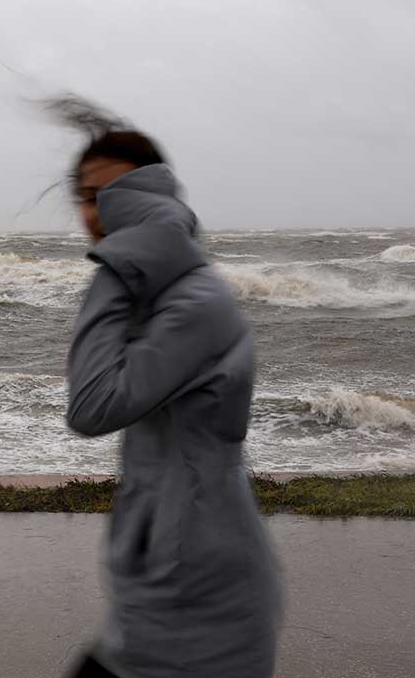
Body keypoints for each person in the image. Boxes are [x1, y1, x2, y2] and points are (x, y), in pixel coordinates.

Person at [63, 128, 282, 678]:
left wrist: (117, 264)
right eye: (85, 198)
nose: (94, 215)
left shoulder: (194, 302)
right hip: (162, 578)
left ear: (151, 204)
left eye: (110, 197)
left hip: (199, 591)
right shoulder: (160, 294)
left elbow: (91, 406)